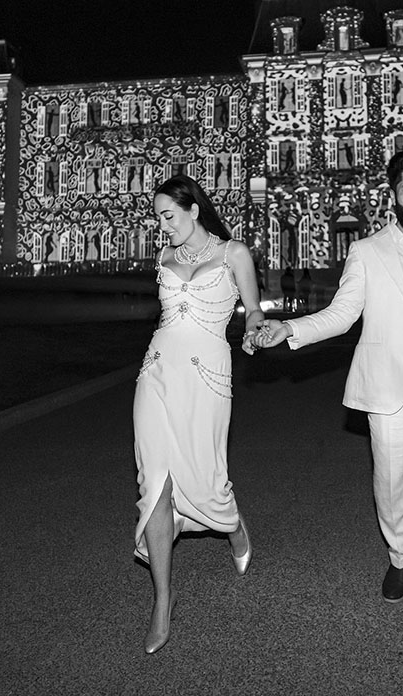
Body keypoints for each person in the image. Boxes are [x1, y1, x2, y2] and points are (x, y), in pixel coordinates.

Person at [255, 149, 403, 653]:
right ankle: (400, 555)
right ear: (394, 195)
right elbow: (342, 314)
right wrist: (289, 329)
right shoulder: (367, 251)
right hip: (389, 388)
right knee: (391, 484)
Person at [133, 174, 264, 654]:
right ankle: (162, 601)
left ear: (193, 209)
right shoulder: (163, 258)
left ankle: (234, 525)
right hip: (157, 373)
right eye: (158, 218)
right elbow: (167, 319)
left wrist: (255, 329)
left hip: (207, 376)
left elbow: (253, 310)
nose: (163, 226)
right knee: (156, 484)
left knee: (206, 479)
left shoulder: (234, 254)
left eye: (169, 216)